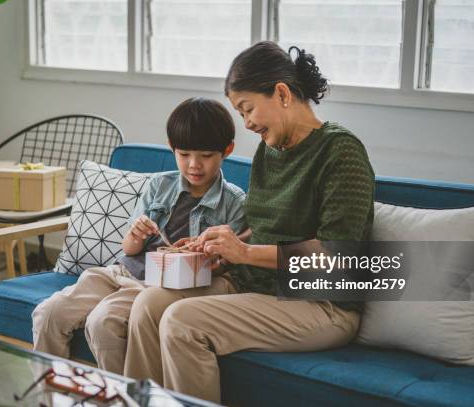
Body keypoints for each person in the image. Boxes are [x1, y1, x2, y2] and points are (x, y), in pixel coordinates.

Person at [123, 41, 375, 403]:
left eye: (247, 109)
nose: (247, 123)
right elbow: (266, 227)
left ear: (282, 93)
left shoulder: (340, 152)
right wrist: (223, 241)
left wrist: (244, 251)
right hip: (256, 286)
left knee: (182, 321)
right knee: (148, 305)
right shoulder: (269, 151)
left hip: (322, 305)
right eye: (240, 113)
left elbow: (337, 255)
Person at [31, 97, 247, 374]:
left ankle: (123, 399)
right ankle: (50, 395)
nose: (194, 164)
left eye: (205, 156)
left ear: (226, 150)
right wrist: (136, 233)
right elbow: (130, 249)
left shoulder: (235, 202)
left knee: (103, 324)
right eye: (184, 154)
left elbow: (223, 268)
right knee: (49, 313)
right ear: (172, 148)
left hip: (156, 287)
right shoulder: (159, 185)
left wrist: (205, 252)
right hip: (121, 271)